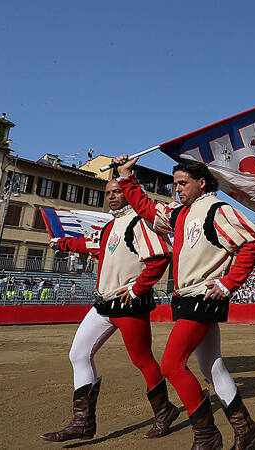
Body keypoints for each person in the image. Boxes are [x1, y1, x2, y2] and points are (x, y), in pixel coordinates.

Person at [114, 156, 255, 450]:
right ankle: (245, 427)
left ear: (202, 183)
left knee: (171, 364)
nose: (177, 189)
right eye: (175, 184)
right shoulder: (181, 213)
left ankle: (207, 435)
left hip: (202, 297)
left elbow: (250, 241)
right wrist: (126, 177)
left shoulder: (216, 210)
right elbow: (146, 209)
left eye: (183, 183)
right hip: (192, 298)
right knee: (212, 367)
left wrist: (227, 283)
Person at [41, 179, 177, 443]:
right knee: (78, 354)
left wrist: (138, 288)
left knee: (142, 360)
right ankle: (82, 423)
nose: (112, 196)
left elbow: (160, 256)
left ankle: (164, 411)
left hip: (128, 304)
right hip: (103, 303)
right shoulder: (110, 226)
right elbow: (90, 245)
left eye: (117, 191)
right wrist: (63, 243)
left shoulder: (142, 221)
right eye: (108, 193)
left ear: (128, 192)